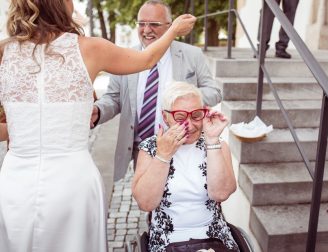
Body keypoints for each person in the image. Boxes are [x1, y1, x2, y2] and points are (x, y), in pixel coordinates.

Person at [0, 0, 195, 251]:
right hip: (72, 182)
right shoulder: (90, 49)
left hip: (15, 184)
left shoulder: (4, 52)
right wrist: (173, 29)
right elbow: (147, 59)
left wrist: (23, 129)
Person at [91, 0, 222, 181]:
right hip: (142, 149)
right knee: (147, 201)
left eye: (154, 24)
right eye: (142, 24)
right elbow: (113, 98)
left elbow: (214, 91)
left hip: (182, 146)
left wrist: (187, 99)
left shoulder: (192, 55)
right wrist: (97, 111)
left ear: (170, 26)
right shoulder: (125, 57)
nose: (146, 30)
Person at [132, 82, 238, 251]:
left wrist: (211, 141)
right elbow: (145, 203)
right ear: (165, 116)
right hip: (166, 240)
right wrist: (163, 156)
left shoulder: (217, 144)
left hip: (214, 236)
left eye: (196, 115)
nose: (189, 124)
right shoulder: (150, 147)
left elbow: (221, 193)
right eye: (180, 117)